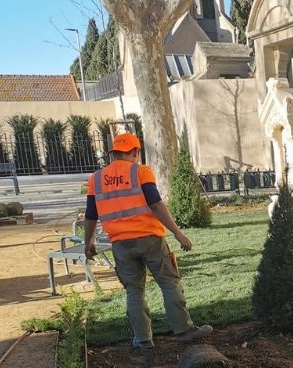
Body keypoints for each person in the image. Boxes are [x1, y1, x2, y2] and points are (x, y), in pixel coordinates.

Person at [83, 133, 211, 349]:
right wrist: (178, 233)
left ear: (113, 153)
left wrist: (88, 243)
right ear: (135, 152)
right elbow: (156, 204)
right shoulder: (140, 171)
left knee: (134, 291)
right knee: (169, 283)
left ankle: (143, 340)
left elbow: (90, 215)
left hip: (121, 245)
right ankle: (184, 330)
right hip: (150, 239)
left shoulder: (95, 179)